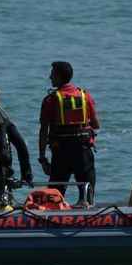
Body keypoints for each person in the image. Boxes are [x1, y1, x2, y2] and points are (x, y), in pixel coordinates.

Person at [38, 62, 100, 206]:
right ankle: (89, 219)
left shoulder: (50, 100)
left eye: (52, 75)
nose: (50, 77)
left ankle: (53, 221)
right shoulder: (85, 96)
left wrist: (42, 158)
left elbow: (43, 131)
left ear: (59, 77)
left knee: (55, 196)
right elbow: (96, 125)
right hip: (83, 151)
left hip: (60, 153)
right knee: (87, 196)